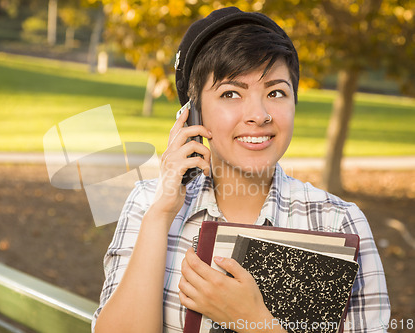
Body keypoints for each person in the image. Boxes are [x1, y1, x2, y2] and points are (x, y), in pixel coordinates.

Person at [92, 7, 390, 333]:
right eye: (231, 93)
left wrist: (255, 322)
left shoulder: (338, 221)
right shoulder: (149, 202)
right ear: (193, 114)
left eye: (276, 92)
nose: (258, 114)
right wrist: (161, 214)